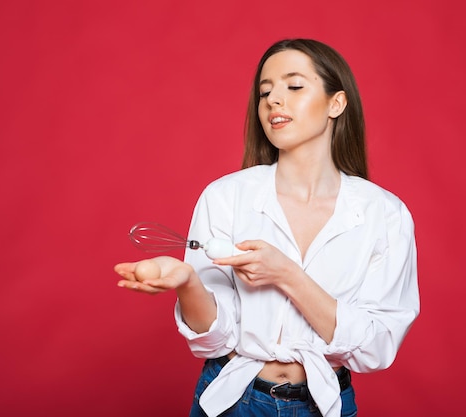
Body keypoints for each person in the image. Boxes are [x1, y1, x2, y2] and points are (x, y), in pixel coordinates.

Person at [114, 38, 419, 417]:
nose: (274, 100)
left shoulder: (385, 214)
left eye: (293, 86)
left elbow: (376, 348)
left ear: (336, 104)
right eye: (265, 92)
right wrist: (187, 282)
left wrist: (286, 274)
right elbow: (214, 339)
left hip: (325, 405)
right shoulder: (226, 196)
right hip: (234, 399)